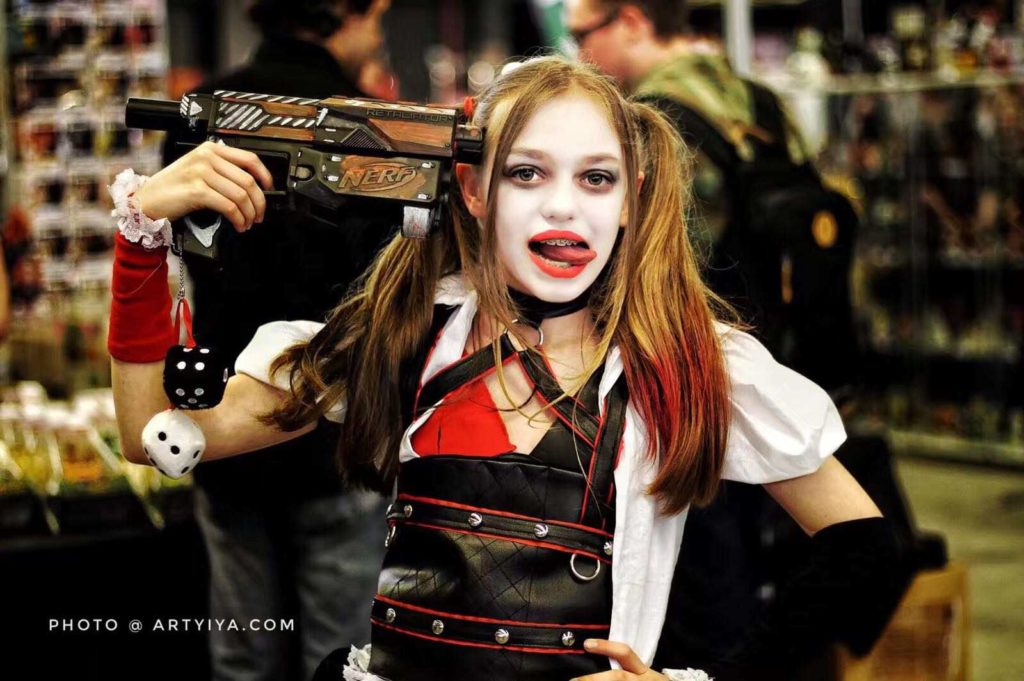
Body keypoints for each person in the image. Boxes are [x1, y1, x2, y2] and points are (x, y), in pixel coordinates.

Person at [111, 56, 903, 681]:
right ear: (472, 188)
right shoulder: (406, 336)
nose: (563, 207)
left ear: (631, 199)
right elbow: (152, 435)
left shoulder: (684, 363)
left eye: (596, 177)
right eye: (527, 172)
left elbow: (862, 543)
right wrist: (141, 240)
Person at [564, 1, 908, 675]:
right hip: (786, 370)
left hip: (693, 378)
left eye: (583, 34)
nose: (579, 53)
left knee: (709, 590)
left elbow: (671, 268)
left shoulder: (662, 120)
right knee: (772, 577)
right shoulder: (755, 100)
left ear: (632, 21)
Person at [151, 2, 392, 679]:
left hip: (221, 425)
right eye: (377, 16)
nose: (377, 33)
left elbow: (184, 260)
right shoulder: (373, 129)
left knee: (244, 658)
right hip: (337, 436)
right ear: (346, 12)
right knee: (339, 661)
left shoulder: (199, 115)